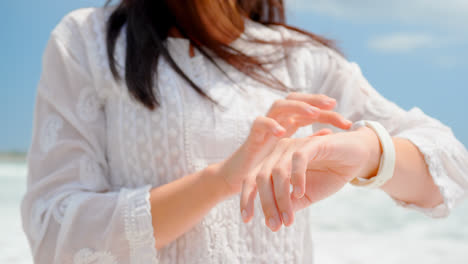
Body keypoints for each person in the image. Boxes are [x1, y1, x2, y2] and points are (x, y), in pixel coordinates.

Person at [21, 1, 468, 263]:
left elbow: (450, 165)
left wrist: (368, 151)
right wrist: (220, 180)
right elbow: (53, 230)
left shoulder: (298, 56)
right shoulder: (89, 41)